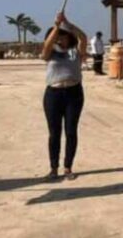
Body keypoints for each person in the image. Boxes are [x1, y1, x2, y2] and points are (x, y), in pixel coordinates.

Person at [41, 12, 88, 181]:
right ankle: (53, 168)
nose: (60, 40)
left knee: (71, 132)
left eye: (64, 36)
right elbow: (47, 45)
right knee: (54, 133)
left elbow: (83, 37)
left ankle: (68, 167)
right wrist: (57, 26)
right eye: (57, 37)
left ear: (69, 38)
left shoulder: (75, 52)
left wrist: (67, 23)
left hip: (73, 94)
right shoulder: (49, 54)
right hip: (53, 95)